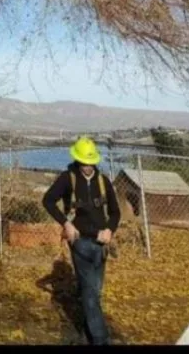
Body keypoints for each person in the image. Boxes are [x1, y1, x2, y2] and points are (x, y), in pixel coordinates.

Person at [42, 136, 121, 346]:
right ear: (77, 160)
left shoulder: (103, 181)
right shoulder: (68, 178)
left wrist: (110, 230)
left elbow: (115, 212)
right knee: (89, 291)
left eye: (91, 162)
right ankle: (101, 339)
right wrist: (66, 224)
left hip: (101, 245)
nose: (88, 166)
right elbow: (48, 200)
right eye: (84, 162)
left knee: (94, 292)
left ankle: (87, 334)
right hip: (80, 243)